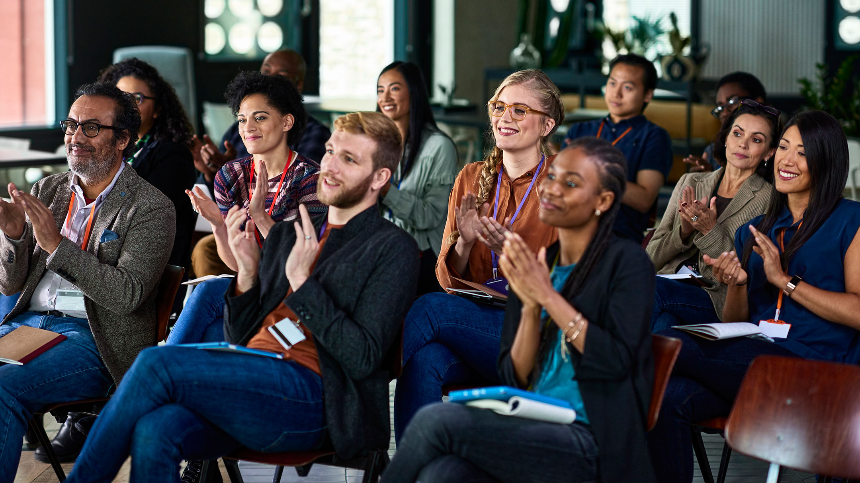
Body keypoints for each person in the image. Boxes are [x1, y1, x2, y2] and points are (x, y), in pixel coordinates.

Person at [64, 111, 419, 483]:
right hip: (254, 377)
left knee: (156, 363)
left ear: (380, 177)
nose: (329, 165)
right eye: (330, 151)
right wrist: (248, 275)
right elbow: (240, 336)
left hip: (320, 399)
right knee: (157, 427)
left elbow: (363, 358)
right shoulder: (290, 234)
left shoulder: (392, 248)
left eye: (349, 159)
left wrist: (303, 285)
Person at [384, 138, 657, 483]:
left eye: (571, 183)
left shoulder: (627, 263)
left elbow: (616, 361)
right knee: (442, 473)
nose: (552, 188)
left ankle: (366, 384)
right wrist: (528, 307)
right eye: (552, 177)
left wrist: (546, 297)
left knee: (436, 420)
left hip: (592, 439)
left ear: (602, 201)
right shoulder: (542, 263)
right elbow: (516, 378)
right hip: (535, 422)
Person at [649, 110, 860, 483]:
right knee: (669, 397)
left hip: (816, 369)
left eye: (802, 152)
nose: (787, 160)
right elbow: (736, 323)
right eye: (784, 147)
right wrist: (738, 284)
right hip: (755, 363)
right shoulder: (754, 230)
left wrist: (785, 281)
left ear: (826, 162)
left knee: (667, 343)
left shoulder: (850, 219)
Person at [0, 83, 175, 482]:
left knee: (2, 389)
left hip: (93, 339)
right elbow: (9, 286)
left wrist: (56, 246)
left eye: (92, 127)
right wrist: (13, 237)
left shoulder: (150, 207)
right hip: (26, 326)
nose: (76, 137)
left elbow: (127, 295)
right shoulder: (49, 189)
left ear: (123, 140)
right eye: (72, 125)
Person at [394, 69, 563, 441]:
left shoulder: (562, 182)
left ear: (547, 125)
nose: (504, 117)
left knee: (430, 308)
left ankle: (355, 380)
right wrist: (465, 243)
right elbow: (446, 278)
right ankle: (415, 465)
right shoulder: (471, 177)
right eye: (499, 107)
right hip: (478, 326)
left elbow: (573, 284)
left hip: (536, 334)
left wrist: (513, 255)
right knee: (424, 361)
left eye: (520, 110)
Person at [170, 71, 324, 346]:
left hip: (295, 292)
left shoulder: (310, 180)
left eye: (260, 117)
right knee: (212, 331)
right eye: (242, 119)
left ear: (287, 122)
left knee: (209, 294)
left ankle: (163, 364)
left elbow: (303, 262)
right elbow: (236, 265)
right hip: (252, 287)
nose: (247, 127)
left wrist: (261, 217)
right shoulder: (231, 176)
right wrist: (218, 224)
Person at [647, 100, 781, 332]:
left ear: (769, 152)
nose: (743, 144)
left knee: (648, 289)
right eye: (737, 134)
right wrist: (683, 232)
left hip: (715, 298)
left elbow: (744, 271)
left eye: (756, 139)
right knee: (665, 325)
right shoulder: (691, 181)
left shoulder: (769, 199)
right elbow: (650, 259)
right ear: (726, 138)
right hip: (668, 285)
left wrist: (709, 230)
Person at [97, 58, 197, 270]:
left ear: (158, 109)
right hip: (104, 256)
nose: (127, 106)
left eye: (137, 98)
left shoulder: (174, 156)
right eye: (120, 97)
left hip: (147, 265)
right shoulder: (108, 149)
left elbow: (146, 215)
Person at [565, 54, 673, 244]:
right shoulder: (580, 130)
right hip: (568, 225)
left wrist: (591, 172)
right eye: (612, 83)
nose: (616, 93)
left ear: (648, 94)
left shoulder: (654, 136)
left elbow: (644, 199)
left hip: (617, 235)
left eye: (627, 87)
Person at [192, 49, 330, 190]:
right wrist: (214, 174)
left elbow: (299, 189)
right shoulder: (238, 130)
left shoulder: (315, 134)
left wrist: (236, 175)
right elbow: (217, 195)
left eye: (281, 75)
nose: (269, 80)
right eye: (266, 72)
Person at [376, 61, 458, 295]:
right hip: (384, 247)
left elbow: (429, 216)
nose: (385, 97)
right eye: (380, 90)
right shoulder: (377, 143)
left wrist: (385, 190)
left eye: (394, 88)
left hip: (421, 257)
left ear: (414, 93)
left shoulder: (439, 147)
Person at [684, 72, 767, 173]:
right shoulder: (713, 151)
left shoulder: (779, 148)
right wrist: (710, 178)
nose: (724, 112)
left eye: (732, 102)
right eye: (720, 107)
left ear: (757, 102)